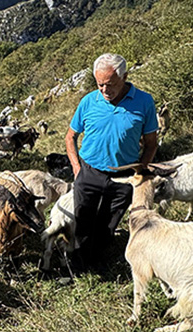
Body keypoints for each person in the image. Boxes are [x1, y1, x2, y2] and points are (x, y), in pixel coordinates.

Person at [65, 53, 159, 272]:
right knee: (82, 219)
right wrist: (77, 169)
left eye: (110, 84)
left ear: (124, 76)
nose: (105, 91)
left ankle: (98, 260)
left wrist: (140, 172)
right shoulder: (89, 100)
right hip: (89, 171)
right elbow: (70, 136)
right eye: (100, 85)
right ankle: (76, 265)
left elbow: (151, 143)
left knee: (109, 223)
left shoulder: (144, 102)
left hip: (123, 175)